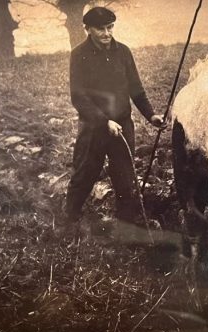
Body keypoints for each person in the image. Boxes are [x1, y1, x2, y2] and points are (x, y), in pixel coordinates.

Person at [64, 7, 165, 240]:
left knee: (125, 179)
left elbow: (136, 90)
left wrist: (151, 115)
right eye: (101, 29)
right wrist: (103, 121)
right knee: (84, 175)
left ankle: (125, 230)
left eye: (110, 27)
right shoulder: (79, 55)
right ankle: (69, 221)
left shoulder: (123, 52)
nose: (107, 33)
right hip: (93, 127)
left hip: (122, 126)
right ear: (87, 29)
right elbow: (78, 96)